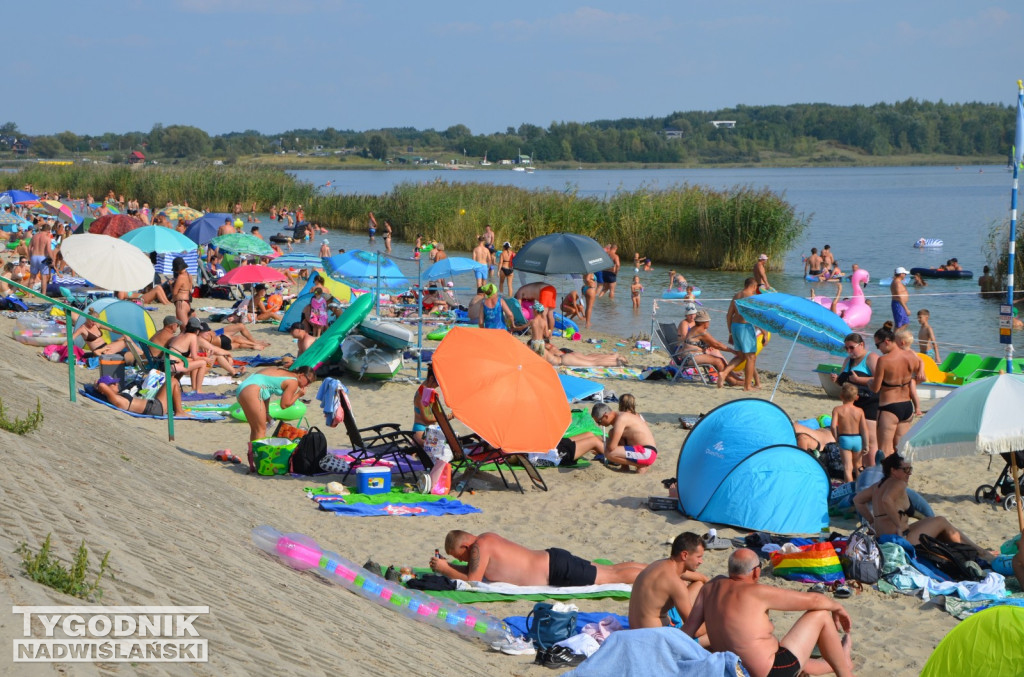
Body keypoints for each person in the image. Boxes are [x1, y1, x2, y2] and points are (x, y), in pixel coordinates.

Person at [683, 549, 853, 677]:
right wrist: (838, 607)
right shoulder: (757, 592)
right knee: (821, 615)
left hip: (736, 670)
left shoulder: (710, 588)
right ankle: (845, 672)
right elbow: (815, 601)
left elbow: (689, 630)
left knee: (792, 656)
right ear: (756, 571)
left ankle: (841, 661)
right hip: (771, 672)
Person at [854, 453, 995, 562]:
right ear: (893, 470)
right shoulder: (898, 483)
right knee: (941, 521)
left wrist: (871, 521)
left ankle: (975, 550)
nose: (909, 473)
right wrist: (897, 524)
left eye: (910, 469)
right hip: (902, 538)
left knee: (936, 524)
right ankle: (980, 552)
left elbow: (858, 500)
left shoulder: (877, 486)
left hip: (883, 538)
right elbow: (887, 500)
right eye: (905, 469)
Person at [429, 530, 646, 586]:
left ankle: (655, 576)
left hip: (555, 570)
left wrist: (445, 568)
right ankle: (657, 568)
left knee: (612, 577)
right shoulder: (486, 538)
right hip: (553, 560)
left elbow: (473, 581)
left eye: (462, 557)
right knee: (611, 570)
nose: (466, 561)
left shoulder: (479, 547)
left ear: (467, 545)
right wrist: (451, 565)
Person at [628, 532, 709, 644]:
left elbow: (698, 578)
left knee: (699, 583)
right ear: (685, 555)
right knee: (716, 632)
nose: (701, 561)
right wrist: (714, 617)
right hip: (653, 640)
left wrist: (707, 581)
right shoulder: (676, 584)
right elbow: (697, 630)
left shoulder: (659, 565)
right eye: (699, 557)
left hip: (635, 629)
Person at [871, 326, 921, 458]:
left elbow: (876, 388)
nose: (878, 349)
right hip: (906, 407)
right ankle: (902, 477)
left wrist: (867, 382)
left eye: (878, 345)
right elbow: (920, 377)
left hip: (889, 407)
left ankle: (886, 478)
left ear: (886, 341)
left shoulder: (884, 360)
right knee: (901, 451)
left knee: (884, 451)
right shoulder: (911, 355)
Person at [832, 332, 879, 463]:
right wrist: (836, 380)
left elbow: (880, 379)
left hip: (869, 403)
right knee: (855, 439)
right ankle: (859, 471)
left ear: (861, 344)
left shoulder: (871, 357)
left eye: (851, 347)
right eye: (846, 348)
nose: (849, 351)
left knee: (869, 440)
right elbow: (843, 382)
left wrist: (859, 379)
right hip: (852, 406)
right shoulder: (848, 360)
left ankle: (871, 472)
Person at [235, 366, 315, 443]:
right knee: (261, 430)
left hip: (244, 388)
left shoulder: (282, 371)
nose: (307, 385)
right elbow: (284, 405)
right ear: (301, 375)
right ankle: (259, 456)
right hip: (252, 391)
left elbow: (266, 391)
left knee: (256, 429)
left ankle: (253, 455)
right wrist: (298, 394)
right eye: (308, 381)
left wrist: (267, 412)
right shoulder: (293, 381)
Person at [718, 277, 761, 390]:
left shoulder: (737, 295)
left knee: (741, 356)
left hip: (735, 326)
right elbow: (756, 317)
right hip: (745, 327)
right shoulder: (751, 297)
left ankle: (723, 373)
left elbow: (728, 315)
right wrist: (764, 333)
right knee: (751, 357)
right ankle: (747, 386)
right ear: (753, 286)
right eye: (755, 288)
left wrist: (730, 332)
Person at [590, 402, 658, 473]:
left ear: (606, 416)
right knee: (613, 434)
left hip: (647, 453)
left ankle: (641, 465)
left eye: (599, 421)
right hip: (646, 451)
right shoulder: (621, 416)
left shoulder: (621, 419)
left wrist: (599, 446)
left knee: (609, 453)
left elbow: (612, 447)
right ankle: (625, 467)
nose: (599, 425)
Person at [679, 310, 742, 385]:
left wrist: (709, 345)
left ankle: (735, 378)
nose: (709, 323)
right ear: (703, 322)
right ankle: (732, 381)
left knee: (719, 359)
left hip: (691, 356)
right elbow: (717, 344)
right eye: (708, 321)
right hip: (690, 358)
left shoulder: (695, 328)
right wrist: (733, 351)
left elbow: (712, 343)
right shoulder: (701, 331)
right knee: (718, 361)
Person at [94, 375, 185, 418]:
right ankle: (179, 412)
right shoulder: (116, 399)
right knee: (173, 381)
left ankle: (177, 409)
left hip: (153, 405)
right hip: (155, 408)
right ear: (104, 390)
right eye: (113, 384)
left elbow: (102, 386)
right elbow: (102, 385)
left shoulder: (116, 396)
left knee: (172, 380)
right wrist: (97, 386)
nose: (116, 384)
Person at [831, 384, 869, 483]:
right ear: (857, 397)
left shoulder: (837, 409)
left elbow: (833, 426)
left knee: (847, 467)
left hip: (844, 438)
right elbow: (864, 429)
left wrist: (836, 438)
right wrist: (866, 444)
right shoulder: (860, 411)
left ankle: (848, 490)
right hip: (857, 439)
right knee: (858, 465)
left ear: (841, 396)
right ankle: (860, 487)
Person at [541, 343, 627, 368]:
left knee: (593, 362)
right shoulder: (549, 346)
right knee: (591, 358)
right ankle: (614, 358)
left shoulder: (544, 352)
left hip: (564, 360)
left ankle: (616, 362)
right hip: (567, 356)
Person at [28, 223, 52, 296]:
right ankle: (43, 294)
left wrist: (29, 257)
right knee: (44, 277)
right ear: (48, 231)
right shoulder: (47, 238)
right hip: (42, 257)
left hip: (34, 257)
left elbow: (29, 248)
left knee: (32, 276)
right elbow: (48, 250)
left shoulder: (34, 236)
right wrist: (52, 259)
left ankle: (29, 294)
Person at [170, 256, 194, 325]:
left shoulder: (180, 277)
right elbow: (190, 289)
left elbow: (174, 293)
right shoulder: (189, 275)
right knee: (188, 328)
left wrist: (171, 285)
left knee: (184, 328)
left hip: (181, 304)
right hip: (187, 303)